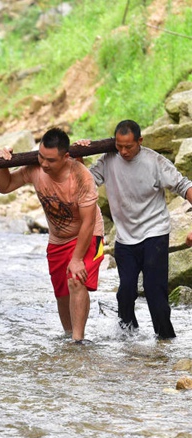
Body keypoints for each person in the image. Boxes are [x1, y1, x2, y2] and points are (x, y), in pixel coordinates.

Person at [79, 120, 192, 340]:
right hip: (125, 238)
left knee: (154, 291)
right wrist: (78, 157)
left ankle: (166, 340)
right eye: (119, 146)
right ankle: (128, 341)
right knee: (126, 292)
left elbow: (184, 186)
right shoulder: (109, 160)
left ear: (139, 141)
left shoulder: (154, 161)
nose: (123, 151)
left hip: (154, 233)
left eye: (128, 146)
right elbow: (84, 182)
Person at [0, 128, 105, 344]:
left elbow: (88, 222)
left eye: (51, 160)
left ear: (66, 157)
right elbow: (4, 186)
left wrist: (76, 259)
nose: (44, 164)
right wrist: (2, 163)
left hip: (90, 234)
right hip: (58, 239)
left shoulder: (81, 177)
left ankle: (78, 341)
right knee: (62, 291)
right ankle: (68, 335)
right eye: (41, 157)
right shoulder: (36, 168)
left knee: (76, 280)